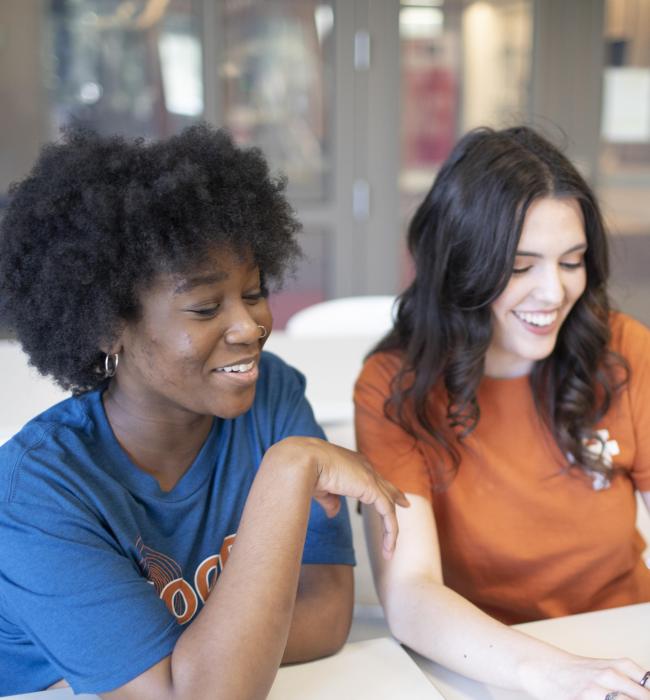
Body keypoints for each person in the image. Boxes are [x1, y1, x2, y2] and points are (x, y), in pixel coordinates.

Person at [0, 125, 408, 698]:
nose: (251, 328)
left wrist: (191, 657)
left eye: (255, 291)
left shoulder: (271, 397)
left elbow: (326, 613)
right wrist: (288, 471)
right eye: (204, 307)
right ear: (105, 326)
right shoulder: (35, 495)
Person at [354, 126, 650, 700]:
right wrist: (557, 673)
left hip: (626, 644)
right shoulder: (395, 388)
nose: (553, 292)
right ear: (463, 265)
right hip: (487, 664)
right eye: (520, 266)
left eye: (572, 261)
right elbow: (411, 593)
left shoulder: (623, 350)